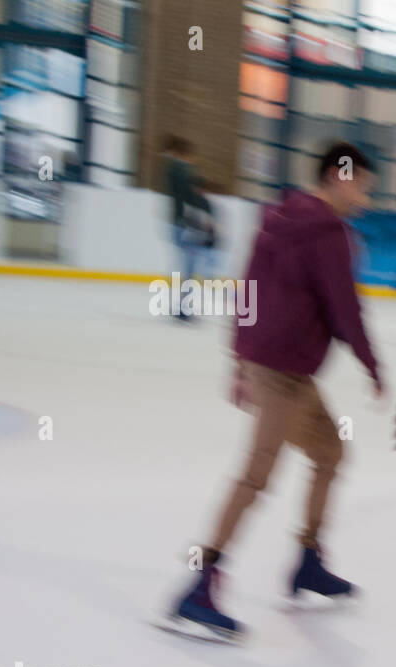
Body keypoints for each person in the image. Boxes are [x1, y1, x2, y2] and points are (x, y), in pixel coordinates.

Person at [161, 143, 383, 639]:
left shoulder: (277, 215)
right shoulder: (328, 231)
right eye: (362, 185)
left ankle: (307, 559)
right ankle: (200, 583)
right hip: (284, 374)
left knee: (330, 453)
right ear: (338, 177)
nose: (365, 198)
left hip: (278, 369)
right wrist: (373, 365)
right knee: (256, 475)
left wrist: (238, 358)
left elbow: (249, 288)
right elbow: (345, 309)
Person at [160, 136, 212, 321]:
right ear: (185, 154)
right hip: (184, 224)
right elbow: (188, 195)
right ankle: (183, 308)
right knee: (189, 267)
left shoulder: (173, 169)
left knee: (186, 267)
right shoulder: (180, 169)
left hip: (178, 222)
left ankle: (182, 306)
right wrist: (202, 207)